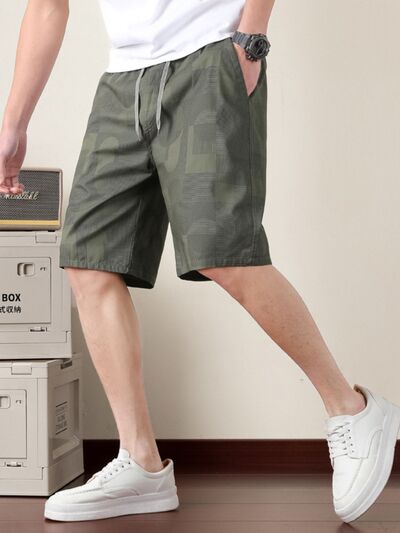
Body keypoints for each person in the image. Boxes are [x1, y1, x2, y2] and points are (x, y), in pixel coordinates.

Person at [0, 0, 398, 524]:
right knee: (89, 261)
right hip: (123, 79)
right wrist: (14, 122)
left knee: (224, 252)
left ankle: (352, 409)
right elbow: (47, 6)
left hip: (210, 57)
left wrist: (250, 41)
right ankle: (141, 462)